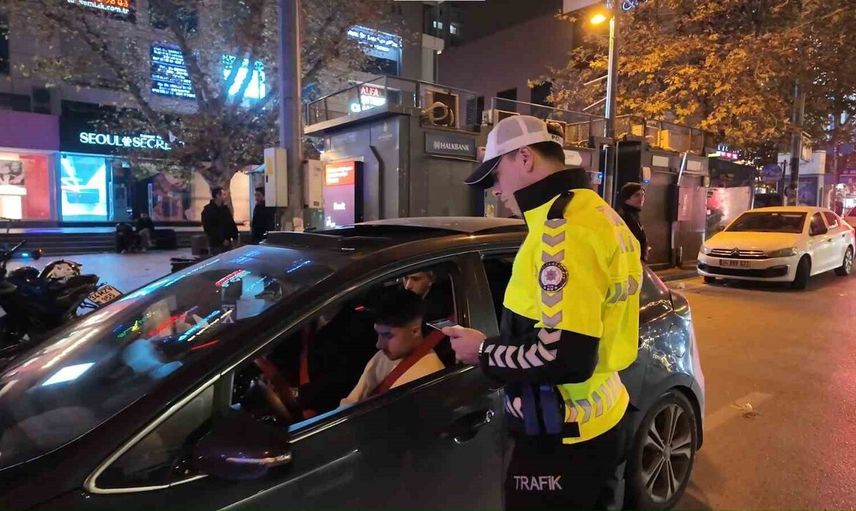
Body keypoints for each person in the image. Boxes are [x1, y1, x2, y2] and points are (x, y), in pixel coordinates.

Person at [444, 115, 643, 510]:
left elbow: (565, 357)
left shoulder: (562, 232)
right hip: (602, 417)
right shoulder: (598, 212)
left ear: (524, 158)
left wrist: (481, 351)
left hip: (563, 440)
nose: (495, 190)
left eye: (495, 175)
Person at [341, 288, 445, 405]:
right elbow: (351, 402)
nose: (378, 344)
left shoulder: (431, 379)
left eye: (387, 335)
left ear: (415, 331)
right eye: (378, 334)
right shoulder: (384, 356)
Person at [201, 187, 239, 256]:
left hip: (228, 242)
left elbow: (231, 223)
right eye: (224, 194)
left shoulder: (225, 209)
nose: (226, 197)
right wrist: (222, 239)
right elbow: (209, 228)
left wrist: (235, 236)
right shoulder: (208, 210)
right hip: (216, 244)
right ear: (217, 196)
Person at [617, 182, 649, 262]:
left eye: (643, 195)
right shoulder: (625, 217)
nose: (641, 198)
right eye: (637, 195)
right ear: (627, 199)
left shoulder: (633, 215)